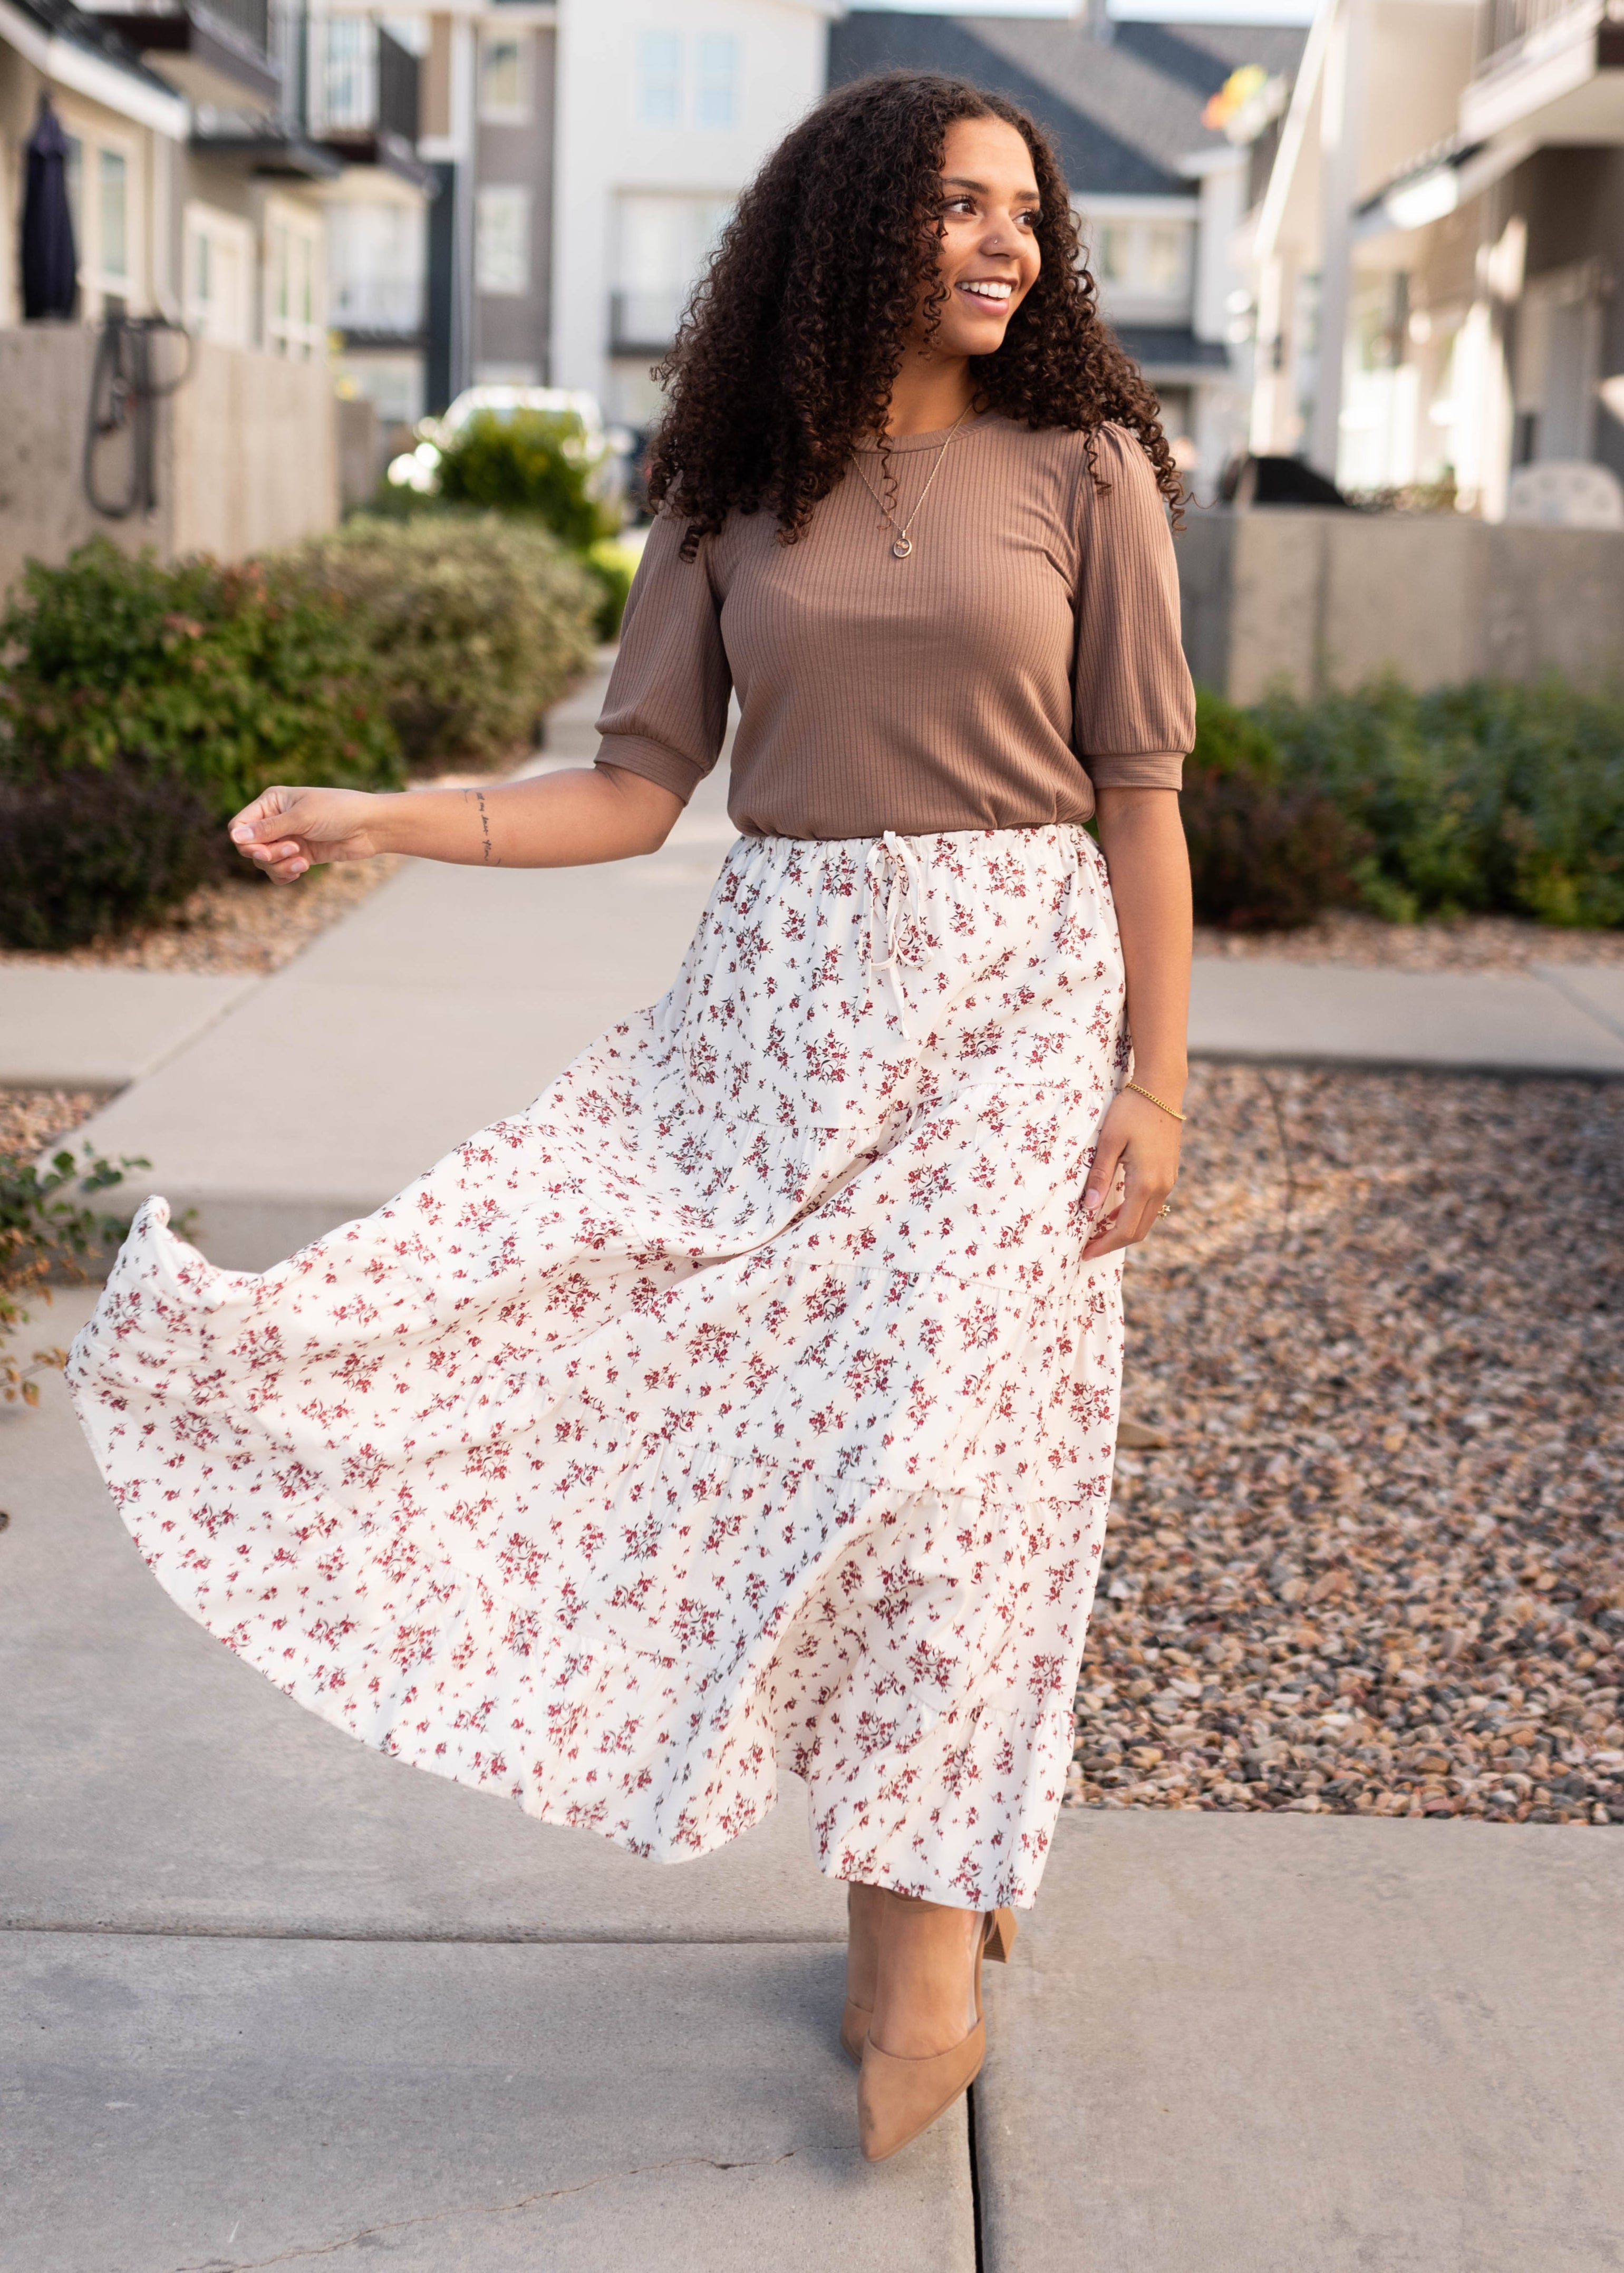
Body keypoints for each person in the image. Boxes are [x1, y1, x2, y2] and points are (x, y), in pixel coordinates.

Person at [69, 71, 1193, 2162]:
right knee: (589, 1335)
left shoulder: (1084, 465)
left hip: (1015, 1010)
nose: (1003, 243)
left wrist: (1149, 1076)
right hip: (774, 1018)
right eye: (957, 205)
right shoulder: (727, 484)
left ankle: (918, 1935)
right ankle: (942, 1846)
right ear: (850, 223)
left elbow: (1138, 791)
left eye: (1025, 215)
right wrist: (377, 810)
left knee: (951, 1467)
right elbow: (628, 785)